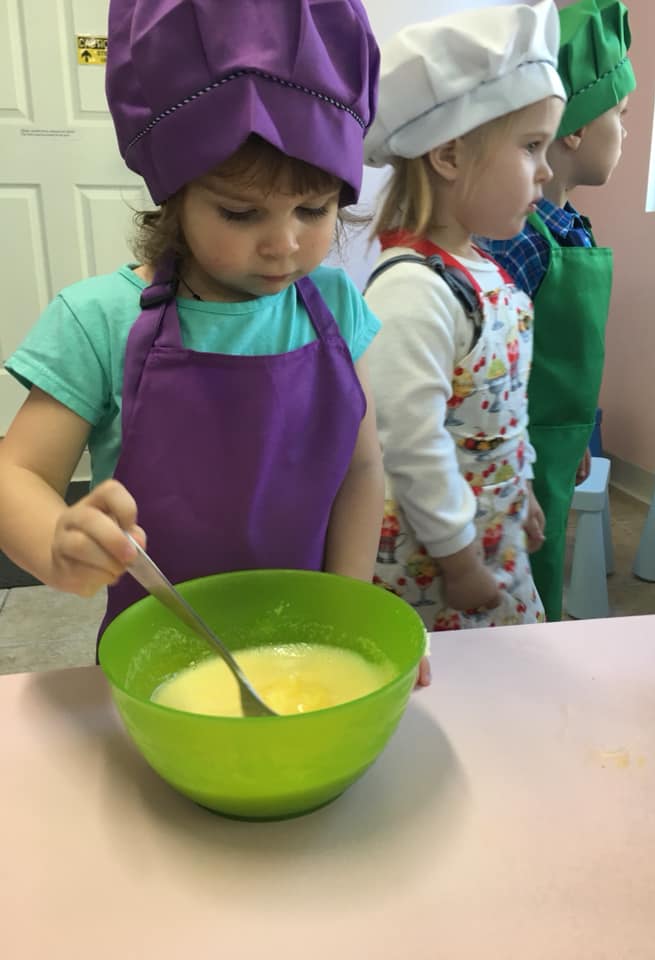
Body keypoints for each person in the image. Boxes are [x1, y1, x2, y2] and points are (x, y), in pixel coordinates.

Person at [0, 0, 385, 649]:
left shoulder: (338, 307)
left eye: (314, 209)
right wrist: (55, 542)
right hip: (159, 655)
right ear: (175, 194)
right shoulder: (99, 319)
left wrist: (348, 611)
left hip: (305, 646)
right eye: (241, 213)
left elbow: (362, 472)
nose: (285, 244)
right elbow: (17, 475)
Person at [362, 0, 567, 631]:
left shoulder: (485, 268)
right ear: (448, 156)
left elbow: (501, 413)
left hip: (491, 533)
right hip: (437, 564)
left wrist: (521, 488)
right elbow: (411, 444)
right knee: (457, 679)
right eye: (531, 146)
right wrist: (458, 560)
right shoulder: (413, 290)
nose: (547, 170)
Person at [480, 0, 635, 621]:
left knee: (542, 566)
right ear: (575, 130)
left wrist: (580, 435)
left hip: (558, 442)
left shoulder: (569, 227)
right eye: (620, 116)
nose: (626, 132)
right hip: (515, 445)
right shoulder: (519, 240)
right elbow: (494, 360)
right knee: (517, 573)